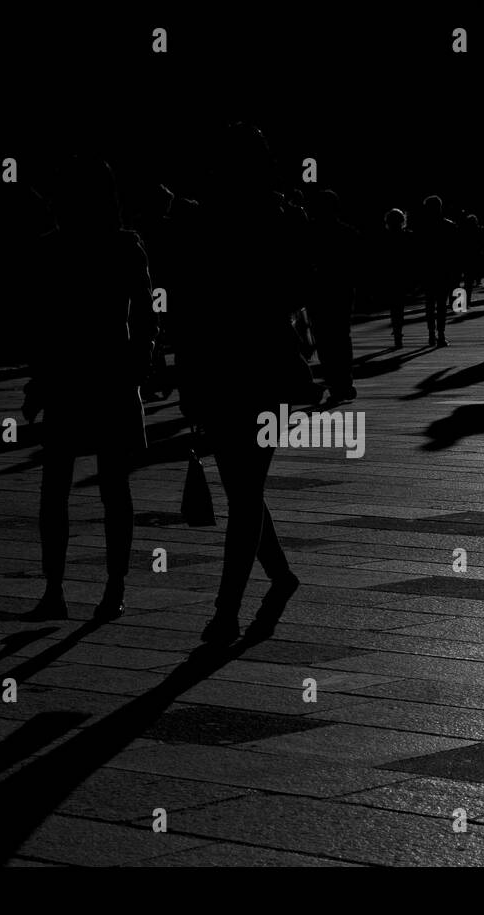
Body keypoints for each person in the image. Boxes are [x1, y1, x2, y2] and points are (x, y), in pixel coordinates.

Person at [173, 123, 305, 644]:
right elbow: (296, 292)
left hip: (221, 366)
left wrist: (186, 375)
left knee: (243, 488)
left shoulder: (202, 221)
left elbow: (189, 306)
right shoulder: (282, 219)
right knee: (243, 488)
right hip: (264, 364)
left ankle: (226, 610)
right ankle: (277, 577)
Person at [20, 157, 157, 623]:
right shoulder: (124, 246)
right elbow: (145, 318)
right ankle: (112, 588)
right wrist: (141, 367)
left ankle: (55, 589)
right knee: (113, 489)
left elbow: (41, 325)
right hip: (112, 377)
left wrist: (38, 380)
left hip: (68, 379)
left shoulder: (51, 249)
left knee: (55, 489)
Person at [305, 189, 361, 403]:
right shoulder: (349, 233)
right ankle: (344, 382)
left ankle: (333, 380)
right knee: (342, 337)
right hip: (342, 291)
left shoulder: (309, 232)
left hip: (319, 291)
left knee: (324, 339)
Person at [414, 195, 459, 346]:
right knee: (441, 305)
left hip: (428, 270)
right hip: (443, 270)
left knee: (429, 304)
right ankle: (441, 333)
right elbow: (454, 251)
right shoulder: (449, 226)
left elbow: (418, 252)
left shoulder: (421, 228)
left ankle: (431, 333)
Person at [379, 208, 412, 348]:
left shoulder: (384, 238)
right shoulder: (408, 236)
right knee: (400, 306)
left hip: (390, 275)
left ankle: (397, 330)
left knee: (394, 306)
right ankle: (398, 331)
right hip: (402, 275)